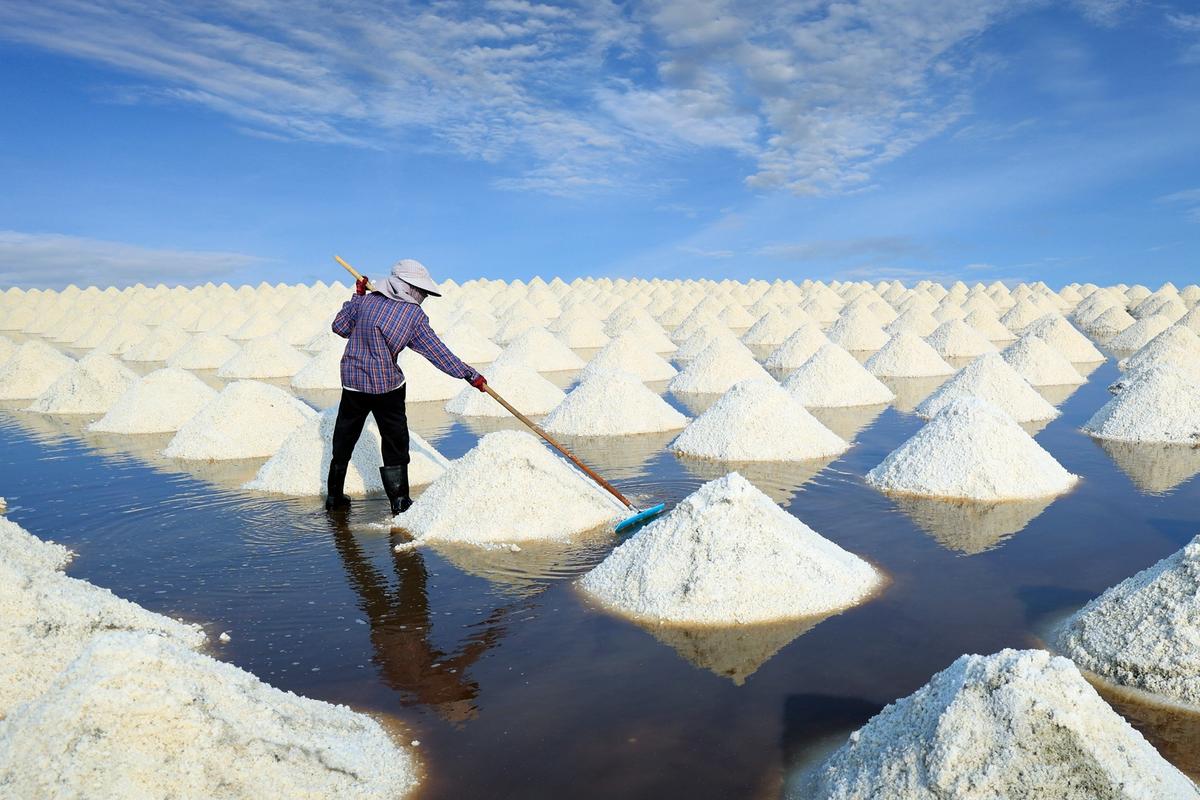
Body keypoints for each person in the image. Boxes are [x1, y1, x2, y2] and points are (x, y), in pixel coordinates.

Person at [327, 258, 486, 514]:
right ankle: (400, 502)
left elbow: (340, 327)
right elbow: (438, 353)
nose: (421, 295)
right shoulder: (413, 315)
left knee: (344, 437)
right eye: (420, 290)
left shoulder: (366, 302)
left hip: (353, 384)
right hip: (387, 389)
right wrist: (470, 375)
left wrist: (356, 297)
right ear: (408, 287)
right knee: (395, 440)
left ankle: (334, 497)